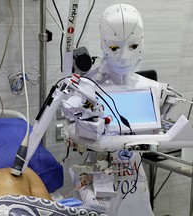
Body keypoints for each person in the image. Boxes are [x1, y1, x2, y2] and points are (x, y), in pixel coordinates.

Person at [64, 3, 155, 216]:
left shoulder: (147, 87)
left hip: (133, 176)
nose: (124, 57)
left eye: (132, 46)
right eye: (115, 47)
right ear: (103, 44)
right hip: (99, 176)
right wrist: (88, 134)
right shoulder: (87, 86)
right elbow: (69, 128)